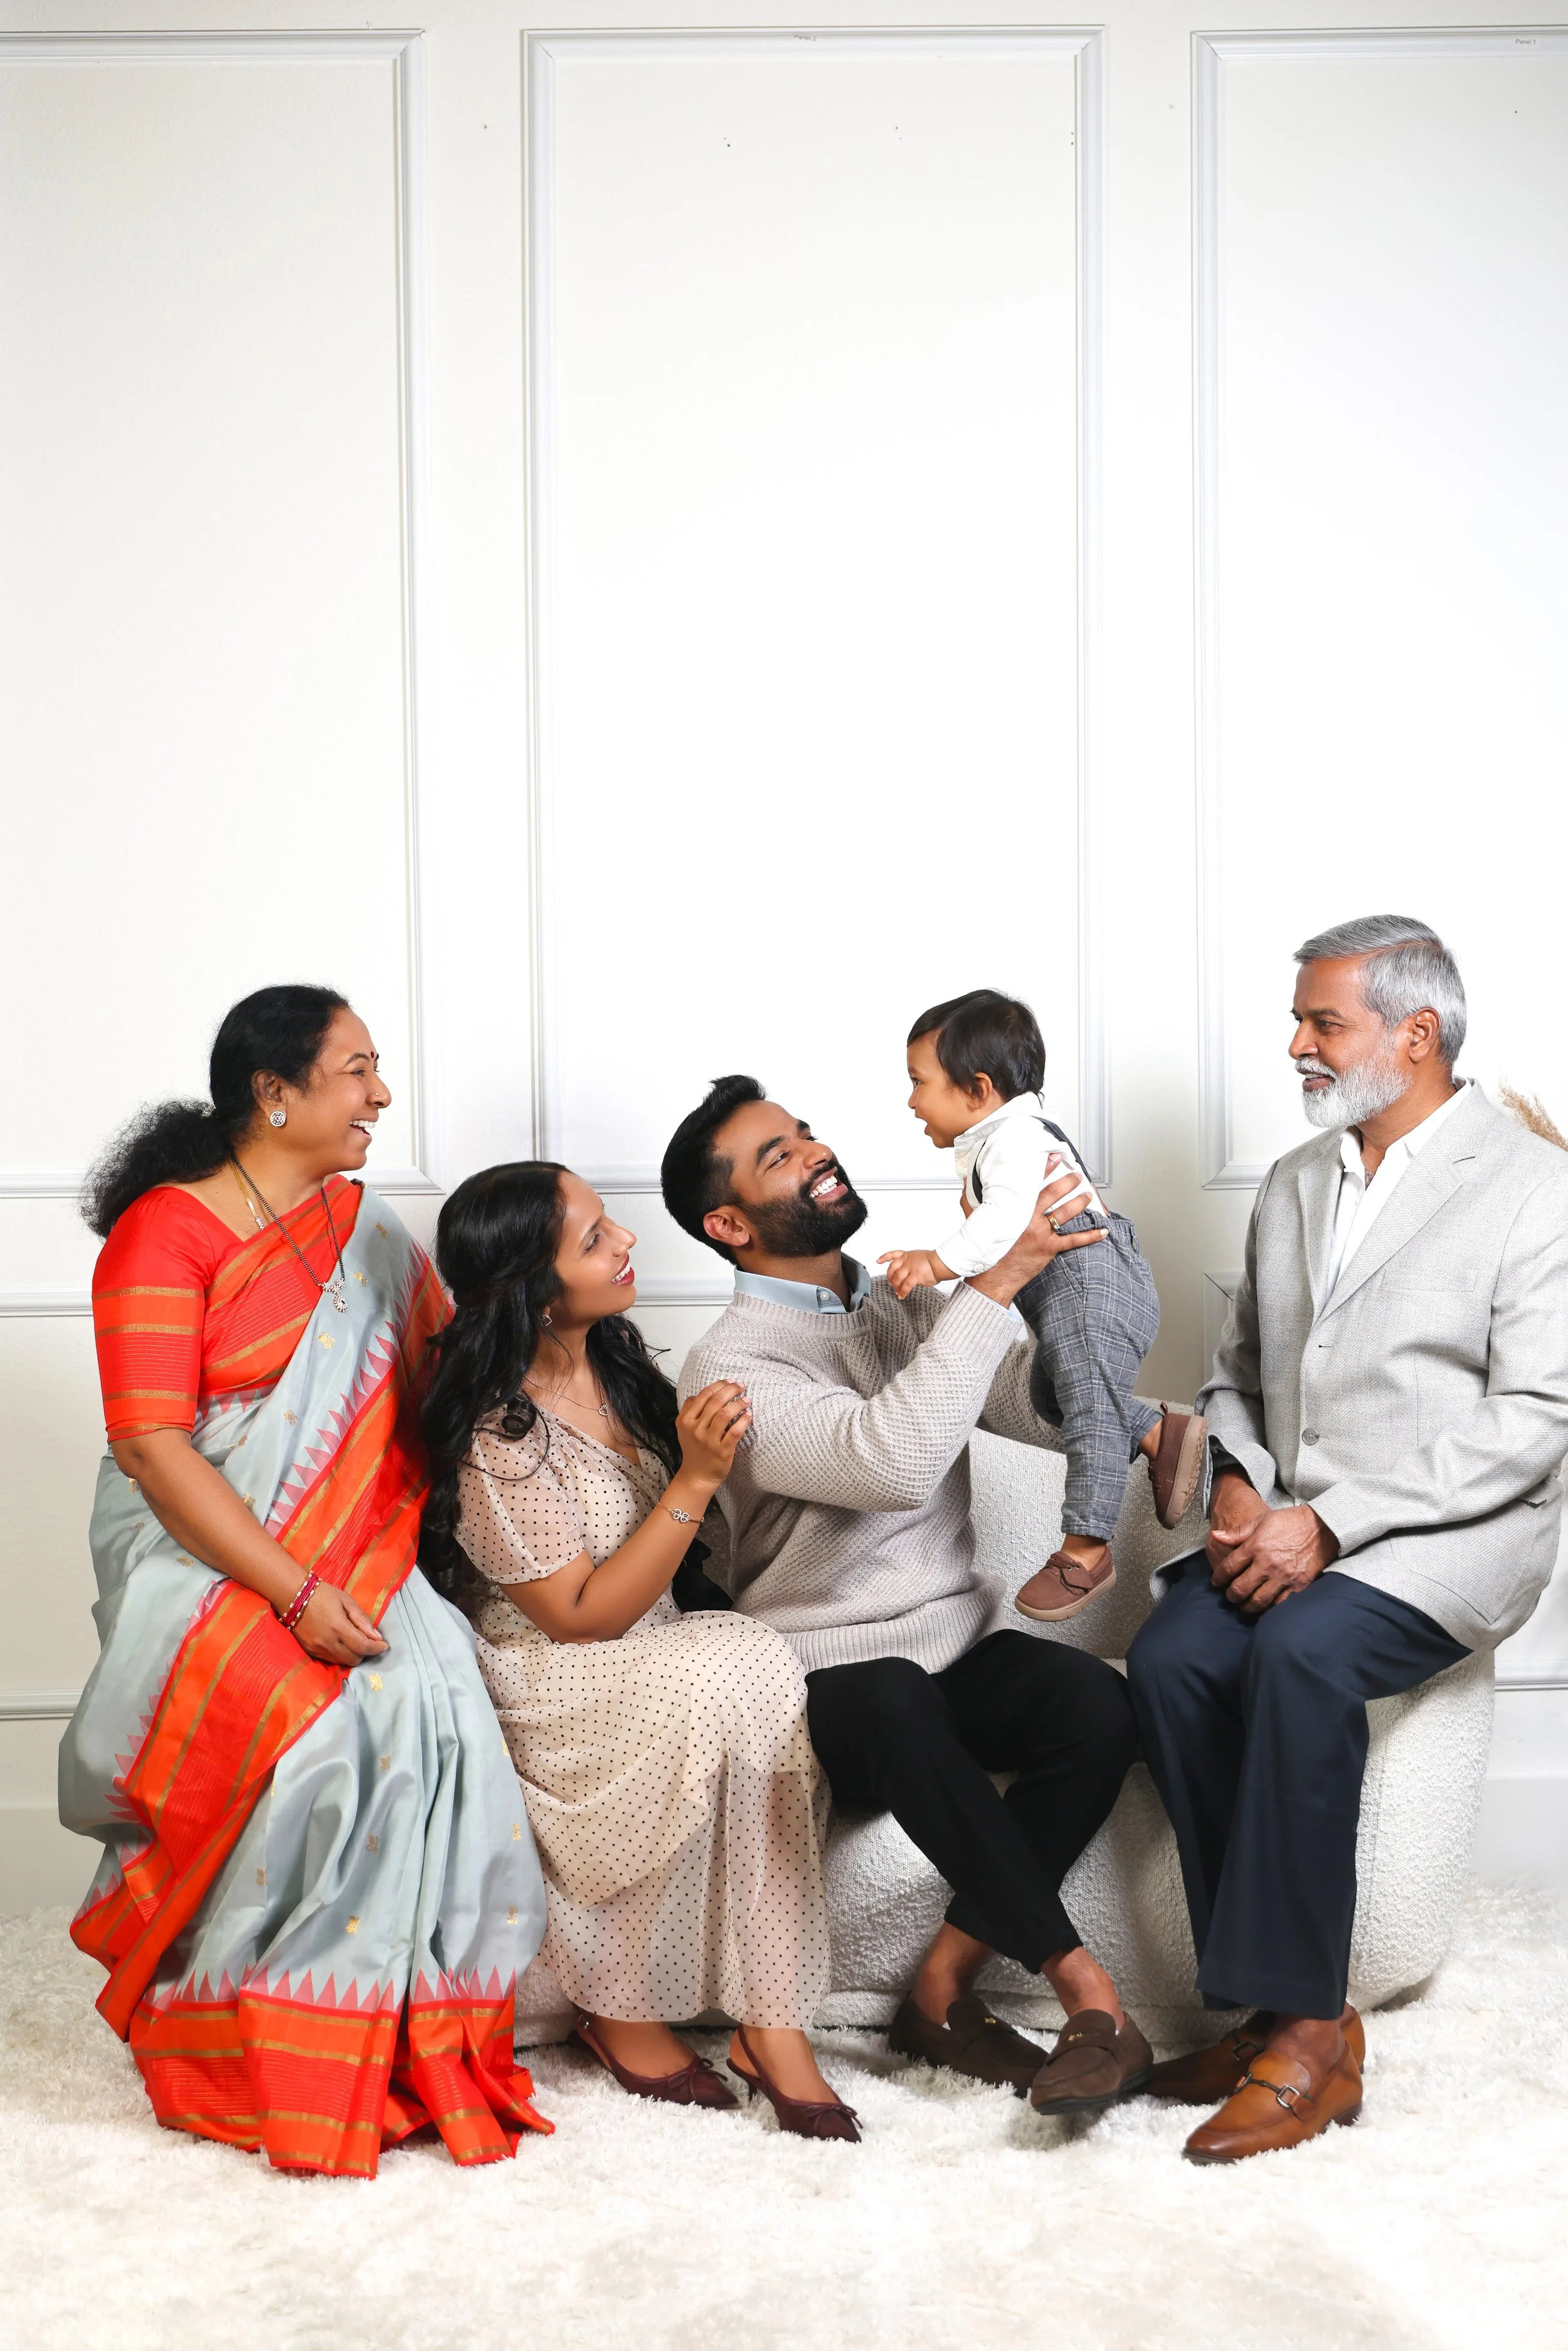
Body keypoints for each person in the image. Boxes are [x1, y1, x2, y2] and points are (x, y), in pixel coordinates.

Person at [61, 985, 551, 2177]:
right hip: (202, 1547)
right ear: (273, 1092)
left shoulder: (363, 1228)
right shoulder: (165, 1233)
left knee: (436, 1713)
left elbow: (439, 1383)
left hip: (359, 1545)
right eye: (358, 1069)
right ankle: (255, 2032)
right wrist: (290, 1591)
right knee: (315, 1730)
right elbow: (153, 1445)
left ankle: (404, 2040)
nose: (380, 1093)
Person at [1126, 915, 1568, 2163]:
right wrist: (1237, 1489)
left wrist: (1326, 1522)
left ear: (1413, 1033)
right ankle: (1283, 2012)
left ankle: (1308, 2044)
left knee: (1300, 1652)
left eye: (1321, 1021)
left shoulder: (1534, 1186)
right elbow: (1235, 1381)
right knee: (1171, 1658)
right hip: (1288, 1517)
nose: (1294, 1045)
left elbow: (1535, 1414)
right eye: (1300, 1019)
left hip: (1450, 1536)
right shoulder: (1288, 1184)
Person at [662, 1077, 1152, 2118]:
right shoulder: (731, 1364)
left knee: (1096, 1704)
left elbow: (1014, 1396)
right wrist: (1001, 1273)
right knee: (891, 1698)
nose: (815, 1149)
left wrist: (1097, 1350)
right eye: (778, 1155)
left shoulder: (892, 1294)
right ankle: (1088, 1993)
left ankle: (939, 1988)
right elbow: (892, 1458)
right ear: (729, 1222)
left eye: (803, 1132)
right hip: (824, 1672)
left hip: (951, 1644)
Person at [420, 1160, 856, 2143]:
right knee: (729, 1666)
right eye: (594, 1240)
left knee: (750, 1666)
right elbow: (576, 1614)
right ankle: (615, 2002)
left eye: (611, 1225)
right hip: (553, 1674)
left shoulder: (617, 1366)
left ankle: (773, 2023)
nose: (625, 1245)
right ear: (533, 1291)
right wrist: (697, 1476)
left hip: (654, 1654)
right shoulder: (497, 1432)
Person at [879, 988, 1205, 1620]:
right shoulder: (998, 1137)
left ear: (976, 1090)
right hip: (1068, 1292)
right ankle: (1161, 1435)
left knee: (1084, 1410)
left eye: (918, 1083)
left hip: (1093, 1285)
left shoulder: (1014, 1138)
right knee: (1048, 1397)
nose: (912, 1100)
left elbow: (1004, 1221)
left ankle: (1087, 1548)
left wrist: (936, 1262)